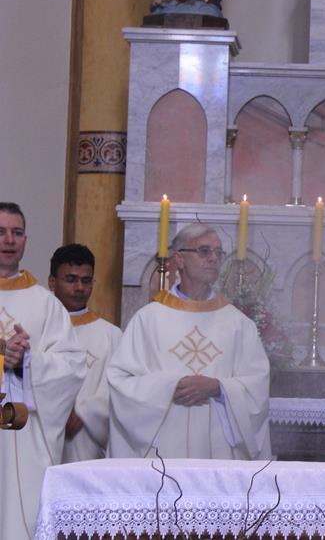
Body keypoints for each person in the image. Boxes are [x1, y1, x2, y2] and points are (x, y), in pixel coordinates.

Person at [107, 223, 271, 460]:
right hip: (163, 451)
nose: (213, 258)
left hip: (220, 452)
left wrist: (218, 387)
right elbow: (120, 382)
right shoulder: (148, 319)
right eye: (204, 251)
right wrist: (170, 386)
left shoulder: (238, 324)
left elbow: (257, 388)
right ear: (179, 259)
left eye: (218, 252)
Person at [0, 203, 85, 540]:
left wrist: (28, 361)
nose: (9, 240)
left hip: (26, 437)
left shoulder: (46, 303)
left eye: (17, 233)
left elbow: (72, 365)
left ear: (25, 239)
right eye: (1, 232)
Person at [48, 244, 123, 462]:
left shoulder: (111, 335)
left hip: (88, 442)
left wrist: (85, 411)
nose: (79, 287)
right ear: (52, 282)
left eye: (86, 280)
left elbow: (120, 388)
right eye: (70, 279)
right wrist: (58, 411)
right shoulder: (41, 329)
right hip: (44, 433)